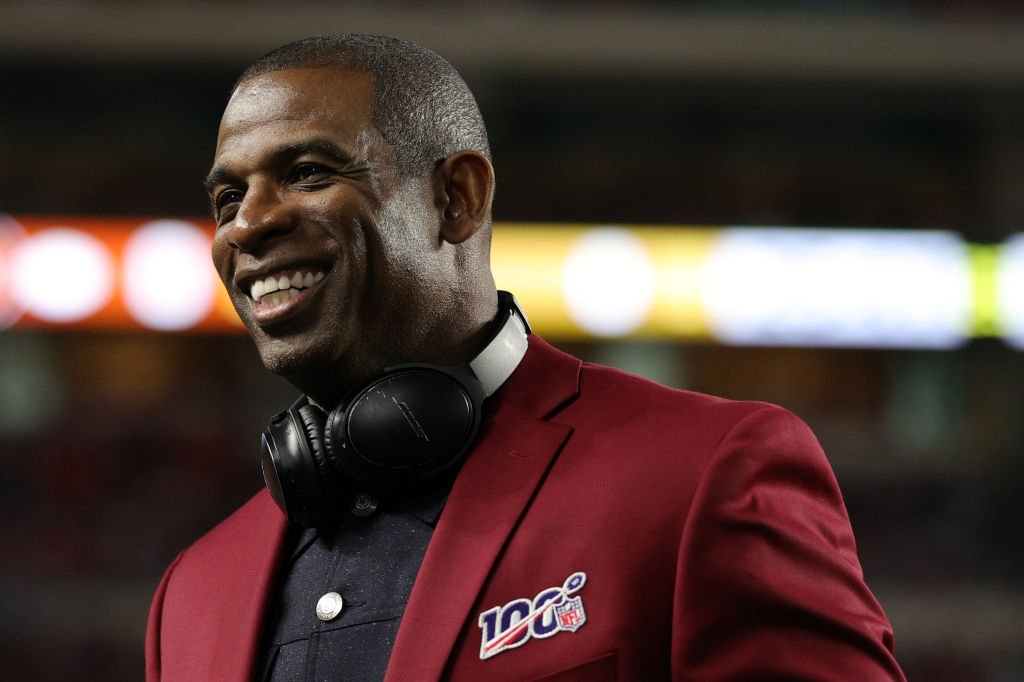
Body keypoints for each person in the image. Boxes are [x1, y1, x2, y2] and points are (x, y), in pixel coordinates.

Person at [145, 34, 906, 682]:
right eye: (225, 200)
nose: (247, 225)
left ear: (459, 197)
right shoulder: (193, 591)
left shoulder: (702, 474)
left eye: (307, 173)